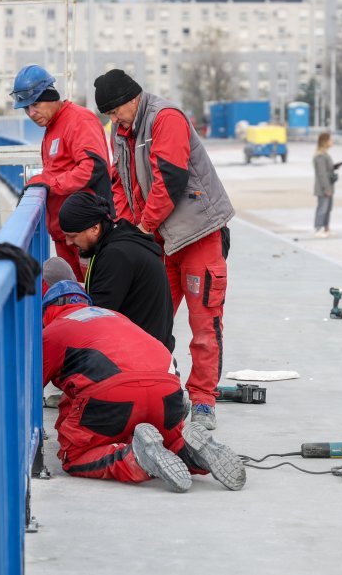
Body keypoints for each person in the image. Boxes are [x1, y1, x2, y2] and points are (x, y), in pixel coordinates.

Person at [93, 69, 234, 430]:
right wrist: (126, 229)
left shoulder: (165, 118)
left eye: (114, 112)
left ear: (131, 99)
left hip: (197, 235)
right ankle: (157, 389)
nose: (113, 120)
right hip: (159, 239)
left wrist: (142, 228)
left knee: (204, 323)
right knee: (148, 321)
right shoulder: (121, 133)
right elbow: (121, 183)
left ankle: (203, 400)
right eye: (108, 116)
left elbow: (169, 180)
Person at [41, 279, 246, 493]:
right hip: (167, 393)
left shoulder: (52, 331)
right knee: (167, 440)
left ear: (46, 312)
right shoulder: (115, 316)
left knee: (74, 455)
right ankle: (188, 450)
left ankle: (136, 458)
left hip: (115, 395)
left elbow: (26, 392)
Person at [12, 64, 112, 281]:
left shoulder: (79, 120)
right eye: (26, 108)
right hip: (65, 235)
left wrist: (50, 183)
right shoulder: (52, 126)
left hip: (86, 235)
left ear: (51, 95)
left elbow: (93, 167)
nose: (31, 113)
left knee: (94, 299)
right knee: (74, 300)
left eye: (35, 104)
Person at [57, 191, 175, 352]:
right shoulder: (118, 240)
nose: (68, 242)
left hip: (141, 357)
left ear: (94, 228)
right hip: (152, 346)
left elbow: (98, 316)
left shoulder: (116, 255)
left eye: (72, 236)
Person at [312, 132, 338, 238]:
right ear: (325, 142)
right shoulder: (320, 156)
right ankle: (318, 228)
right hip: (323, 187)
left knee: (328, 208)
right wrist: (326, 188)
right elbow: (322, 174)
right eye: (330, 140)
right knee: (322, 208)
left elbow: (327, 169)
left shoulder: (325, 154)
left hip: (329, 185)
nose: (332, 142)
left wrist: (334, 167)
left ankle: (326, 227)